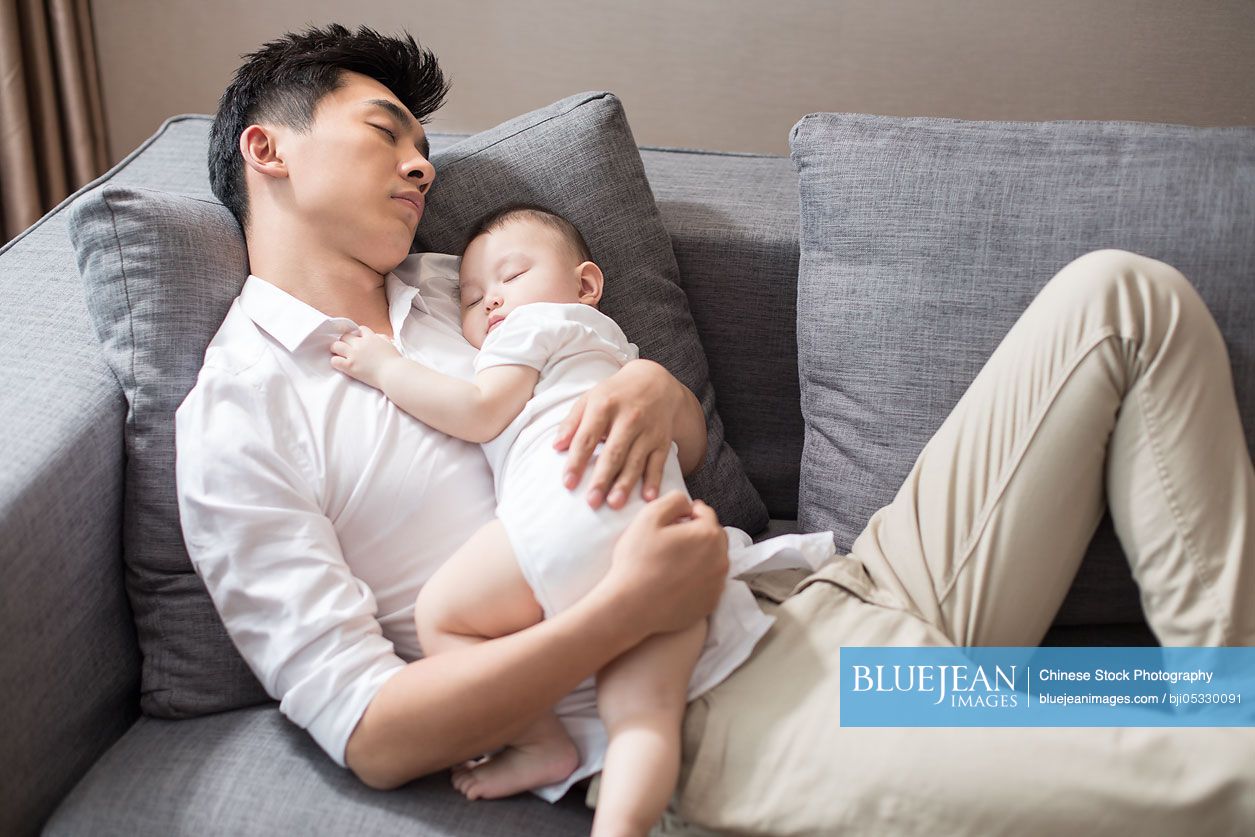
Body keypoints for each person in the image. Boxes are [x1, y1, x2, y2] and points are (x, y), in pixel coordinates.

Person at [177, 22, 1255, 836]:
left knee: (1121, 299)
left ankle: (1226, 681)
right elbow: (370, 733)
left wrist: (660, 396)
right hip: (726, 701)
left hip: (835, 589)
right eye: (386, 134)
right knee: (1221, 766)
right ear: (269, 152)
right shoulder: (239, 420)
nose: (422, 166)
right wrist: (620, 616)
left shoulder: (470, 283)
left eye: (424, 146)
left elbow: (666, 437)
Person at [327, 204, 825, 833]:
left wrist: (385, 367)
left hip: (569, 516)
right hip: (664, 540)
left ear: (586, 286)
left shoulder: (536, 327)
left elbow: (479, 412)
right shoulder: (613, 350)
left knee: (445, 616)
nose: (492, 304)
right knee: (644, 721)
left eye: (512, 276)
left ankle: (539, 742)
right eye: (474, 298)